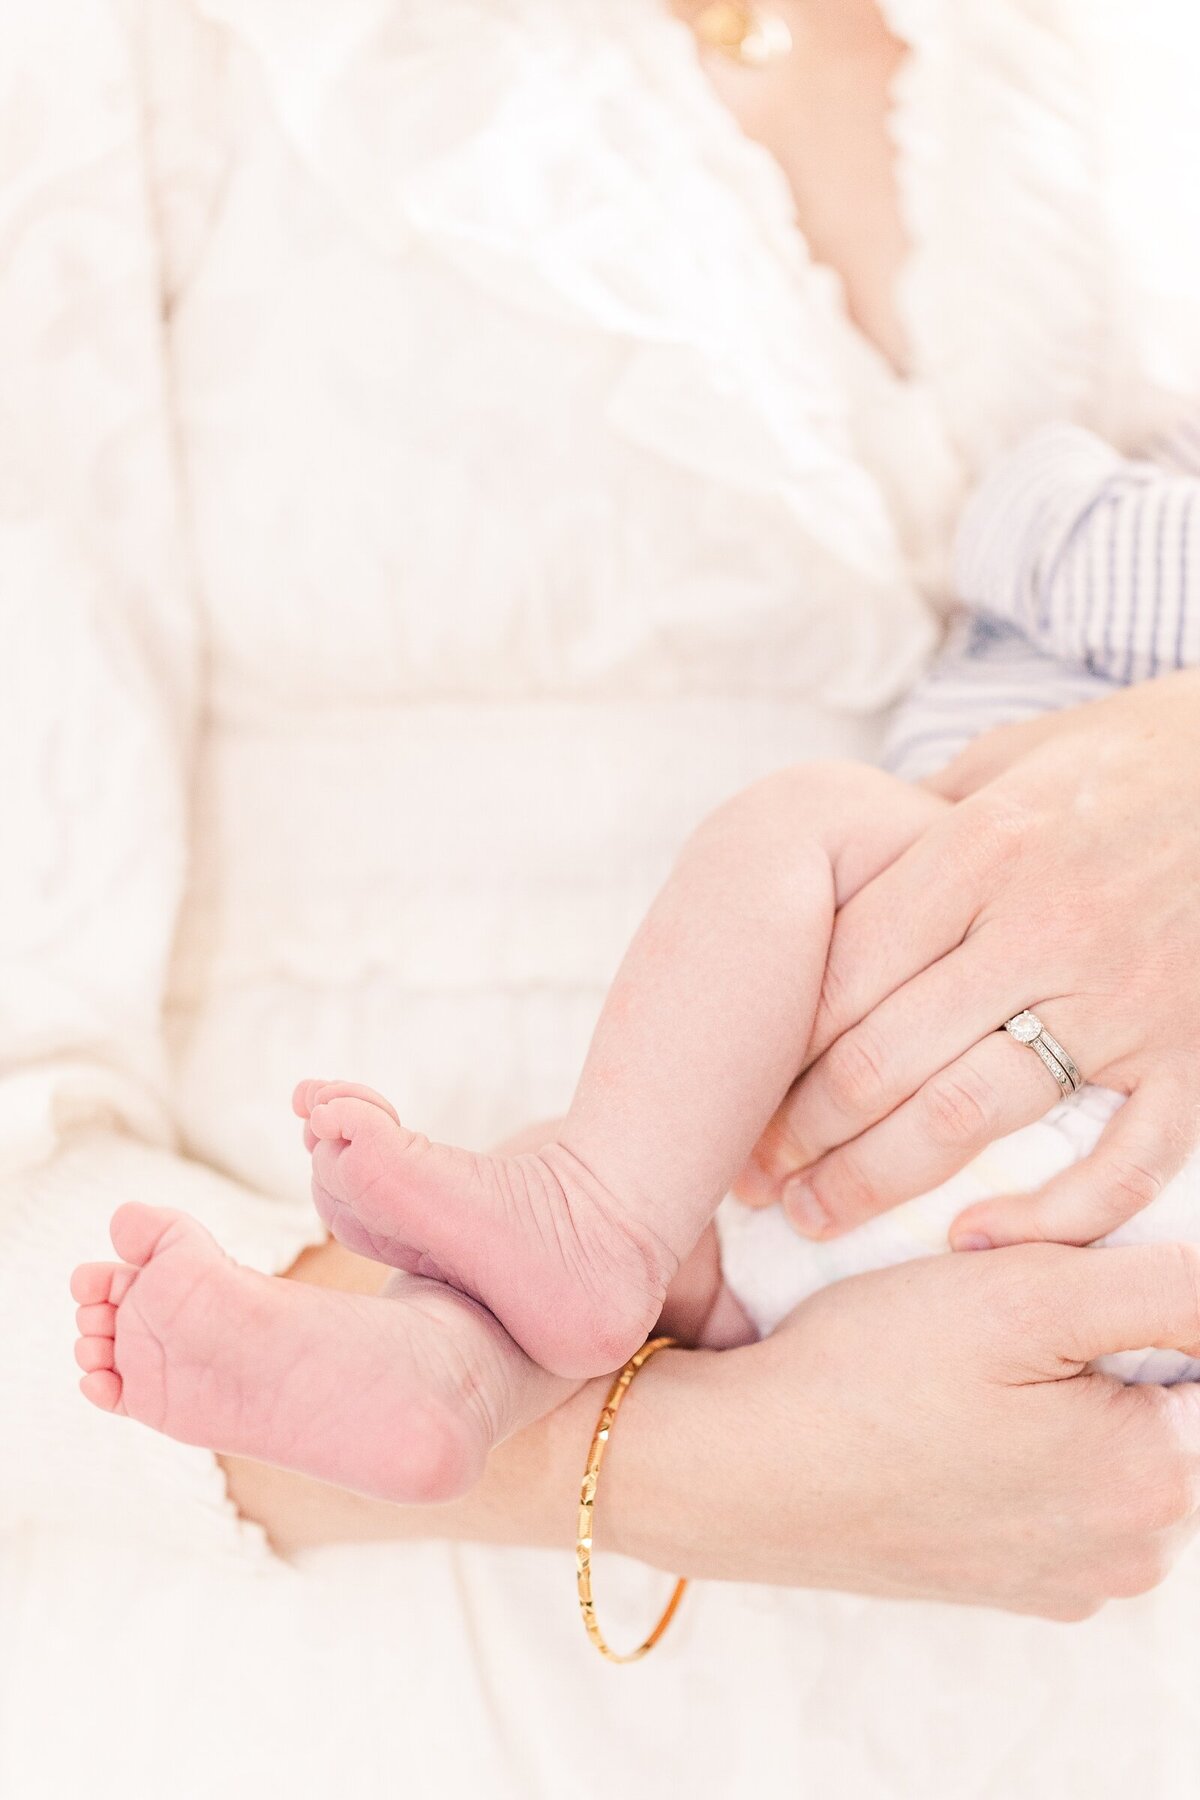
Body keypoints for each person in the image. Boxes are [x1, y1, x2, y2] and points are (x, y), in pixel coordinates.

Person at [8, 3, 1200, 1796]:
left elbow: (1036, 533)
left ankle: (559, 1244)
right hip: (437, 1676)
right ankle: (474, 1340)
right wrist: (689, 1465)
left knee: (792, 867)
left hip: (1111, 1570)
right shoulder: (125, 58)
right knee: (732, 1106)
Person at [69, 409, 1200, 1494]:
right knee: (637, 1234)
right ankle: (444, 1375)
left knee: (809, 834)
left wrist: (1067, 466)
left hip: (960, 1074)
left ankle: (590, 1216)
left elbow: (1043, 527)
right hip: (1114, 1308)